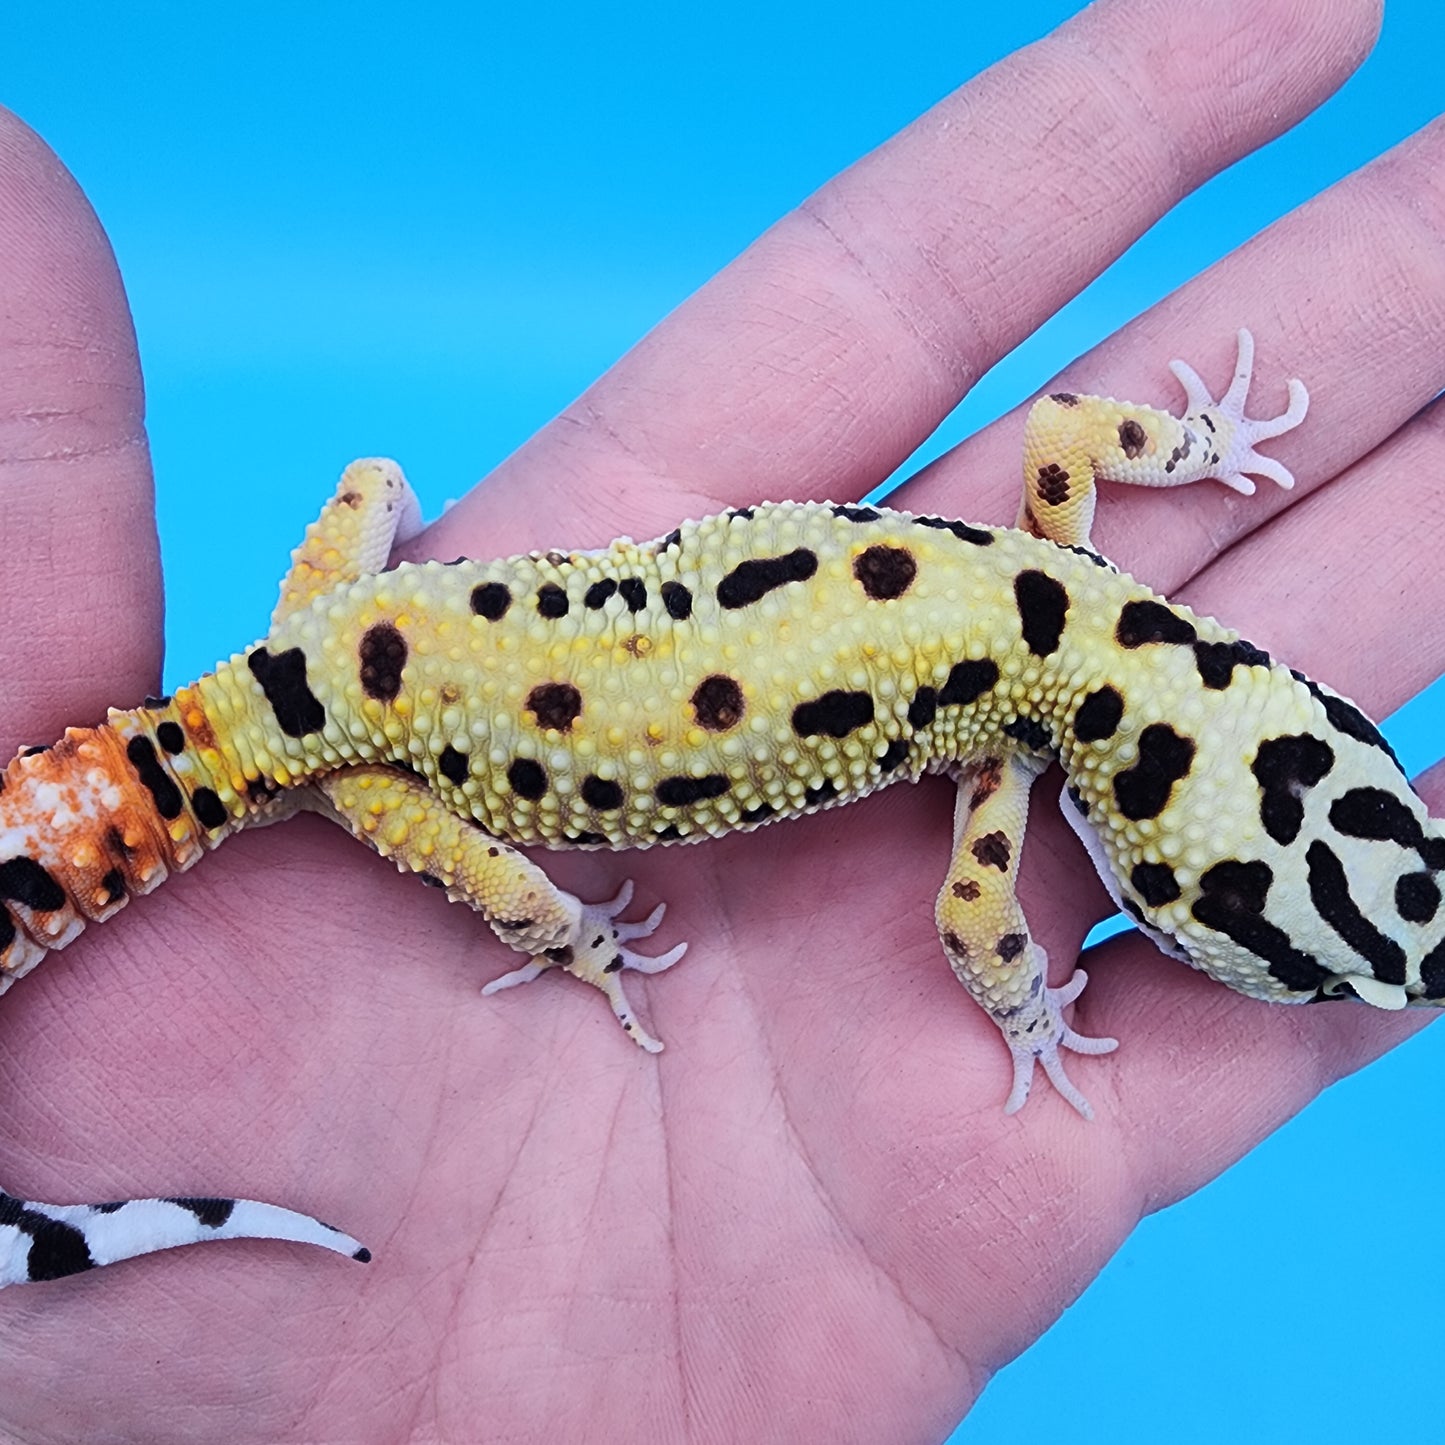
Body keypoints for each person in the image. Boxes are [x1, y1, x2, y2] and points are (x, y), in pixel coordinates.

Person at [1, 0, 1438, 1437]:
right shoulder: (1011, 758)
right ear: (1154, 879)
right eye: (1294, 968)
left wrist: (1191, 443)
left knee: (378, 484)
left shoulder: (1064, 574)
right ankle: (566, 942)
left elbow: (1067, 428)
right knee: (533, 896)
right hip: (351, 756)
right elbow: (972, 924)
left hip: (341, 630)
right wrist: (1015, 1006)